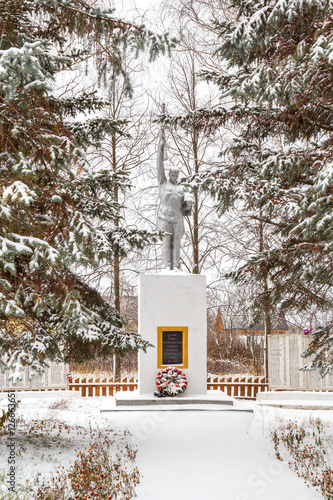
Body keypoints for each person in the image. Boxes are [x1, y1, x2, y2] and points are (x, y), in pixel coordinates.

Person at [156, 132, 194, 270]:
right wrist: (160, 148)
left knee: (176, 242)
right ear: (169, 174)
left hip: (177, 217)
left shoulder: (182, 189)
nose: (174, 176)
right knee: (166, 241)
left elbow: (185, 210)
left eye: (176, 174)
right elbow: (159, 166)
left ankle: (176, 266)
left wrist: (188, 205)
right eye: (172, 174)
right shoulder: (163, 183)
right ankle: (167, 266)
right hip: (165, 217)